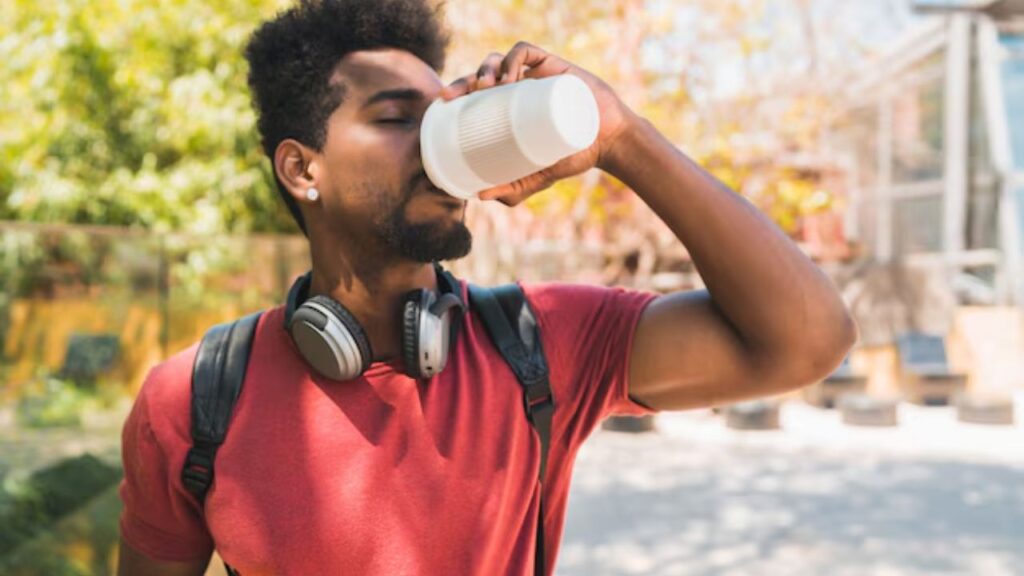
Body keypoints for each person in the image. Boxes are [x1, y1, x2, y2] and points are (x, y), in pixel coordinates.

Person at [116, 1, 856, 574]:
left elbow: (809, 340)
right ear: (302, 169)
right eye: (398, 119)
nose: (442, 148)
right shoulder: (195, 399)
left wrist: (620, 137)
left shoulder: (543, 342)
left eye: (449, 118)